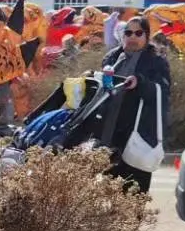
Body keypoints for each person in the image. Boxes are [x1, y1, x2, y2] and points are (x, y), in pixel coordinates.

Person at [69, 13, 170, 194]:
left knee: (133, 187)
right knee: (109, 187)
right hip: (109, 129)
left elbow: (163, 90)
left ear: (147, 37)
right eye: (128, 32)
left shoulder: (155, 62)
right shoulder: (112, 57)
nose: (132, 37)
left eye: (138, 33)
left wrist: (140, 82)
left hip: (137, 130)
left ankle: (131, 220)